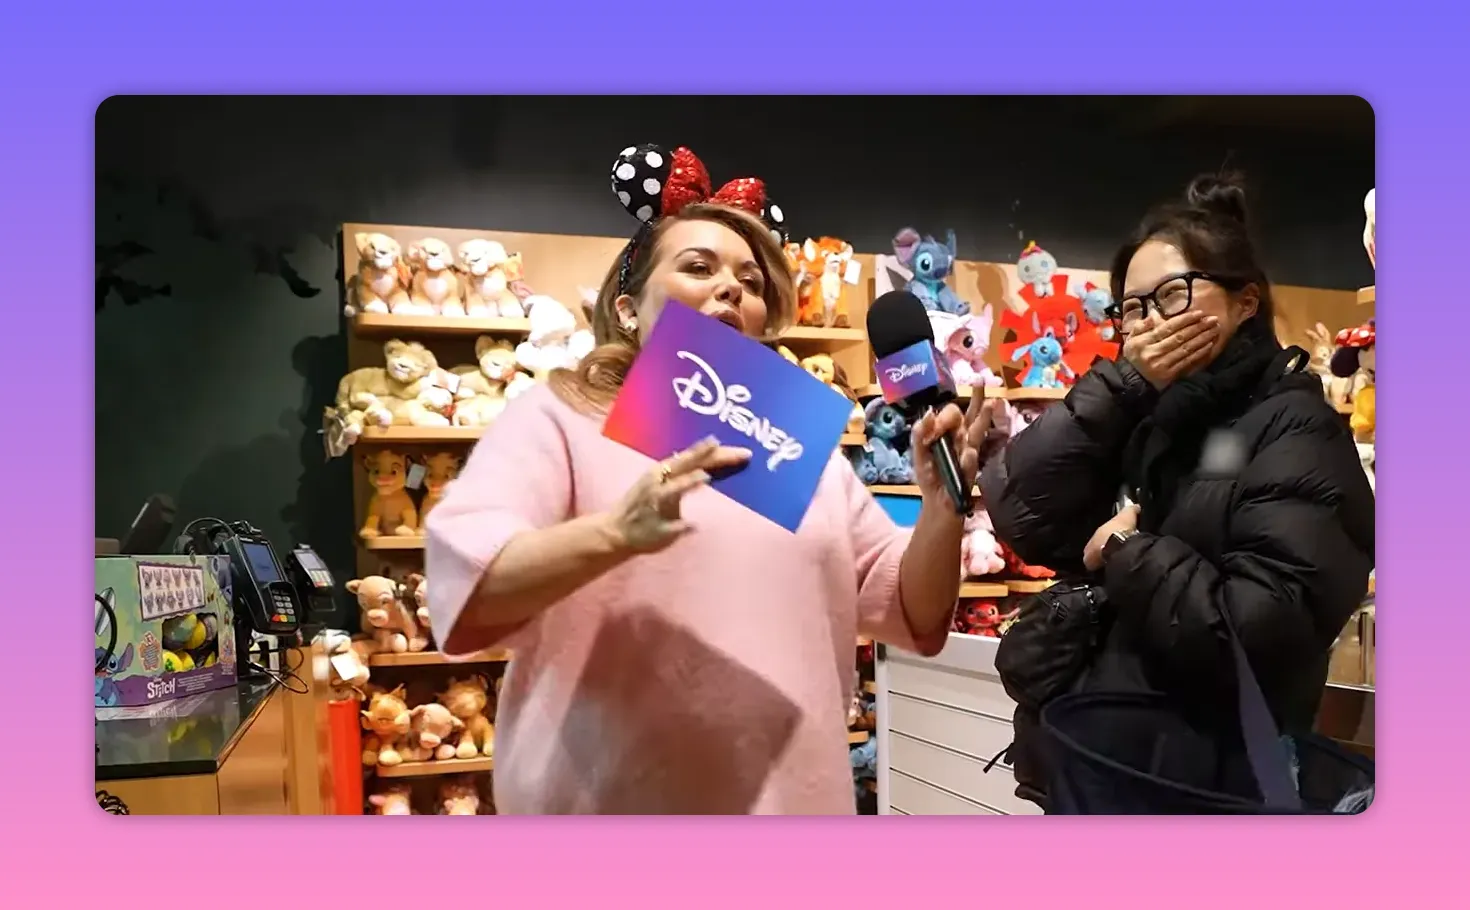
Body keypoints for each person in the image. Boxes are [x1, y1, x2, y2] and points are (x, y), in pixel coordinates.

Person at [424, 144, 1001, 814]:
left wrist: (940, 508)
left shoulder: (797, 449)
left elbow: (915, 613)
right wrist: (615, 533)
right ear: (629, 308)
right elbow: (468, 591)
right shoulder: (561, 415)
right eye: (698, 267)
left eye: (752, 283)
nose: (731, 287)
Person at [979, 173, 1375, 810]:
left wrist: (1129, 548)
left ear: (1246, 302)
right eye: (1131, 309)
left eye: (1171, 296)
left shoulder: (1296, 429)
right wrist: (1121, 387)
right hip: (1095, 769)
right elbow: (1024, 513)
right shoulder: (1149, 417)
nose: (1145, 325)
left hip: (1205, 791)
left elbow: (1260, 635)